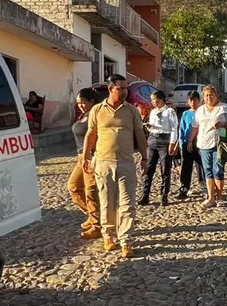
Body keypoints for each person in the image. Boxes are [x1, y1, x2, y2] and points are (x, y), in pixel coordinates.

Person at [82, 74, 148, 258]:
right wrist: (85, 156)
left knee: (128, 204)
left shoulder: (132, 111)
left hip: (126, 162)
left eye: (126, 88)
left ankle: (126, 240)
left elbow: (140, 135)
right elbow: (90, 134)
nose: (124, 91)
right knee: (107, 203)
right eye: (120, 88)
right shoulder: (97, 110)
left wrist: (145, 157)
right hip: (103, 162)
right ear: (111, 89)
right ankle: (108, 236)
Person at [187, 85, 227, 208]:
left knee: (218, 170)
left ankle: (219, 197)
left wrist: (223, 124)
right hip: (203, 144)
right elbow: (195, 126)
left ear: (216, 95)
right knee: (207, 171)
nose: (209, 97)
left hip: (219, 143)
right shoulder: (200, 110)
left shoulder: (223, 107)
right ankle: (211, 198)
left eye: (211, 94)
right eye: (206, 95)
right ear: (203, 97)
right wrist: (189, 141)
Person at [66, 88, 100, 239]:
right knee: (73, 187)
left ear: (92, 101)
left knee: (91, 192)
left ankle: (97, 225)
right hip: (81, 157)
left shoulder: (96, 114)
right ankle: (96, 217)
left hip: (91, 157)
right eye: (78, 103)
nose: (80, 105)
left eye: (83, 102)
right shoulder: (84, 115)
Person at [140, 89, 178, 206]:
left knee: (165, 169)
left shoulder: (169, 111)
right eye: (151, 100)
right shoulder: (153, 112)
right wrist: (149, 127)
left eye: (154, 100)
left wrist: (172, 142)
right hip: (153, 139)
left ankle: (164, 195)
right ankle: (145, 196)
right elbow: (153, 126)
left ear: (161, 99)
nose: (152, 102)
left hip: (164, 140)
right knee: (149, 168)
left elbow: (173, 128)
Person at [176, 91, 206, 200]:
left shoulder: (203, 112)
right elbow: (182, 129)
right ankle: (184, 188)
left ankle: (205, 189)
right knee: (186, 167)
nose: (193, 102)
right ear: (188, 101)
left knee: (201, 167)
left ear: (199, 100)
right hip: (186, 143)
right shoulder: (185, 114)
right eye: (191, 100)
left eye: (195, 100)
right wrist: (181, 143)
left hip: (200, 143)